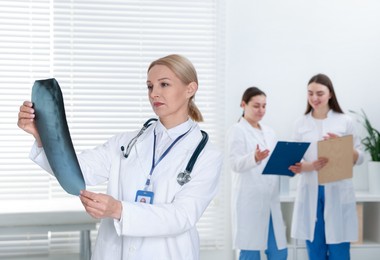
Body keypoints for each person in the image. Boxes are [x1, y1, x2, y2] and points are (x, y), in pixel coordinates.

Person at [17, 54, 223, 260]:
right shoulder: (125, 143)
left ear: (190, 89)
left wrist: (119, 210)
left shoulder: (207, 155)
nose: (154, 94)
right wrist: (43, 135)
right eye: (150, 86)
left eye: (164, 84)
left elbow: (182, 216)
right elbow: (75, 171)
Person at [288, 73, 364, 260]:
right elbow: (294, 162)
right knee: (315, 251)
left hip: (337, 189)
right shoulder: (300, 123)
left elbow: (361, 157)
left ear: (330, 94)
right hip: (310, 190)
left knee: (339, 252)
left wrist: (343, 146)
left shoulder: (344, 121)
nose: (314, 98)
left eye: (320, 93)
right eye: (310, 93)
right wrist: (309, 166)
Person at [227, 87, 288, 260]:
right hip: (250, 202)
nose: (261, 110)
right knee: (250, 253)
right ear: (243, 104)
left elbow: (275, 162)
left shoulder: (270, 132)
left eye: (264, 106)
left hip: (270, 200)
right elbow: (235, 164)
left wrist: (288, 165)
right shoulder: (237, 130)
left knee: (279, 253)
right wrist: (253, 157)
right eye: (256, 106)